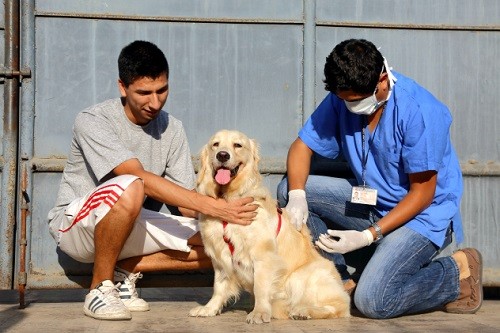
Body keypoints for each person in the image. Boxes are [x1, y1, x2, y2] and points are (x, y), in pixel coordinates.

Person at [47, 40, 257, 321]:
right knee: (132, 183)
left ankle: (126, 269)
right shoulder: (94, 120)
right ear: (123, 87)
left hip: (132, 224)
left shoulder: (172, 128)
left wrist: (243, 213)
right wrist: (217, 207)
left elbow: (185, 203)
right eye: (144, 93)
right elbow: (137, 176)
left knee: (227, 240)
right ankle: (100, 287)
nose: (155, 102)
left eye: (162, 90)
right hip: (77, 227)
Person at [277, 38, 482, 319]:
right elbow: (302, 147)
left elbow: (422, 194)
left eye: (357, 100)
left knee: (375, 301)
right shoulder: (343, 97)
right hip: (372, 202)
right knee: (290, 188)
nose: (350, 107)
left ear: (382, 80)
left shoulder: (420, 111)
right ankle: (336, 281)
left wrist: (367, 236)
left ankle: (455, 274)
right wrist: (298, 197)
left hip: (421, 216)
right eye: (344, 100)